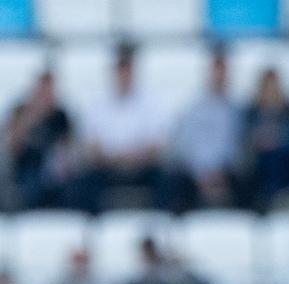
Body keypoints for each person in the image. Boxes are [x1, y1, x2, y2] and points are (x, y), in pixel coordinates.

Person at [69, 45, 169, 213]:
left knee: (168, 180)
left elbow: (157, 147)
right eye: (120, 69)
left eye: (127, 69)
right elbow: (91, 148)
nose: (124, 75)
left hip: (142, 168)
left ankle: (157, 223)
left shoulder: (152, 102)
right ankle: (93, 228)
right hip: (107, 168)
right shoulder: (97, 104)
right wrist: (116, 159)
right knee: (82, 184)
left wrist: (132, 158)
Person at [164, 50, 242, 212]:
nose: (220, 77)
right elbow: (184, 146)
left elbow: (237, 147)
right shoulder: (193, 109)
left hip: (226, 173)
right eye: (217, 72)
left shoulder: (236, 110)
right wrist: (201, 173)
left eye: (223, 73)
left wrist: (220, 172)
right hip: (195, 175)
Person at [239, 68, 289, 211]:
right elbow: (246, 137)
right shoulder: (251, 113)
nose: (271, 91)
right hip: (263, 162)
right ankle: (274, 198)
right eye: (267, 87)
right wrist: (262, 139)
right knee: (271, 157)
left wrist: (280, 138)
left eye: (274, 86)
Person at [5, 71, 75, 209]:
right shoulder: (21, 110)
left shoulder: (60, 116)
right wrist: (31, 118)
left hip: (52, 170)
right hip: (24, 167)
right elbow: (11, 145)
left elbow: (68, 146)